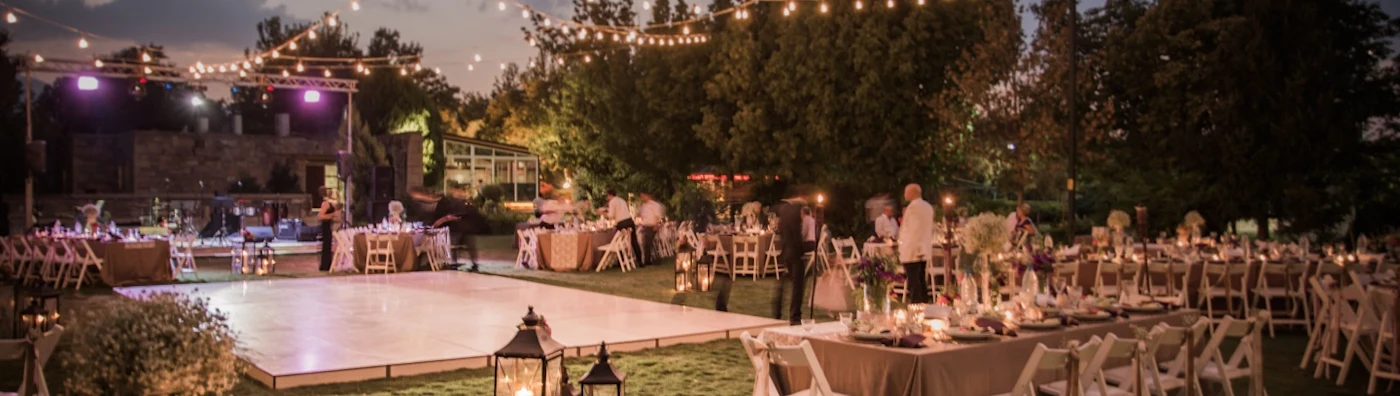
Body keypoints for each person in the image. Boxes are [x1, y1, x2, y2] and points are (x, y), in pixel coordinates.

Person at [410, 187, 485, 272]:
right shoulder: (447, 202)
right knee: (455, 246)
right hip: (456, 228)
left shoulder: (461, 202)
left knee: (468, 246)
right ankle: (455, 264)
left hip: (464, 227)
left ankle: (471, 264)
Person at [771, 190, 808, 325]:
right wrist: (802, 250)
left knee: (784, 282)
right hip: (795, 252)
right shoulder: (796, 209)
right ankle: (795, 315)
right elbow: (796, 233)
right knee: (798, 285)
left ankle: (776, 311)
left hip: (786, 250)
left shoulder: (783, 209)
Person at [897, 183, 935, 304]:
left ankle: (916, 305)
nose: (904, 195)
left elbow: (914, 230)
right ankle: (924, 303)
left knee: (914, 280)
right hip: (924, 247)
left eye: (906, 192)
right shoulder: (928, 207)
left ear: (912, 193)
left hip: (913, 249)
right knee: (921, 279)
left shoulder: (914, 208)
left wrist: (903, 245)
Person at [603, 190, 641, 264]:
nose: (607, 198)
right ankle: (639, 260)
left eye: (607, 196)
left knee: (618, 241)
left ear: (610, 195)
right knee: (634, 241)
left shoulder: (612, 202)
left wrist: (604, 213)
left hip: (621, 223)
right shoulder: (622, 200)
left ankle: (621, 260)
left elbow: (611, 215)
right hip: (629, 221)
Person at [637, 193, 666, 267]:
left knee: (647, 243)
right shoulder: (644, 205)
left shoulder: (654, 205)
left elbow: (658, 216)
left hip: (652, 225)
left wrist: (657, 225)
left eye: (643, 196)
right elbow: (642, 215)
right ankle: (648, 259)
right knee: (646, 243)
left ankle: (648, 260)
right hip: (645, 225)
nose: (642, 198)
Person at [316, 186, 339, 272]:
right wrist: (331, 215)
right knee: (326, 246)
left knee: (328, 246)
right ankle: (325, 265)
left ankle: (328, 264)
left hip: (328, 226)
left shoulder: (328, 202)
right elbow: (320, 216)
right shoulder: (325, 204)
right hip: (325, 227)